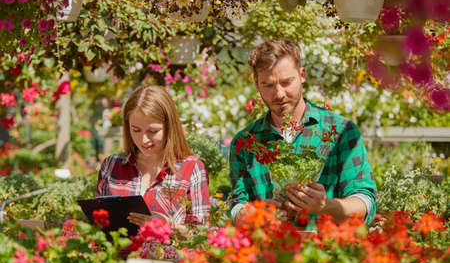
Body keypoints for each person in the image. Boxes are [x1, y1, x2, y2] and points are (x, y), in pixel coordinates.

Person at [229, 40, 377, 230]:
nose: (279, 93)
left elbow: (364, 202)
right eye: (268, 85)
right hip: (268, 254)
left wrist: (325, 206)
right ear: (257, 83)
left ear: (302, 75)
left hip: (327, 254)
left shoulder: (342, 132)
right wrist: (255, 213)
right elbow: (237, 204)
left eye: (286, 82)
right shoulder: (246, 142)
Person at [96, 85, 210, 230]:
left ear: (170, 127)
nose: (144, 140)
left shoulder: (191, 168)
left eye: (153, 131)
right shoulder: (111, 166)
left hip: (166, 252)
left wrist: (169, 226)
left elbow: (201, 236)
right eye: (135, 130)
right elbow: (99, 226)